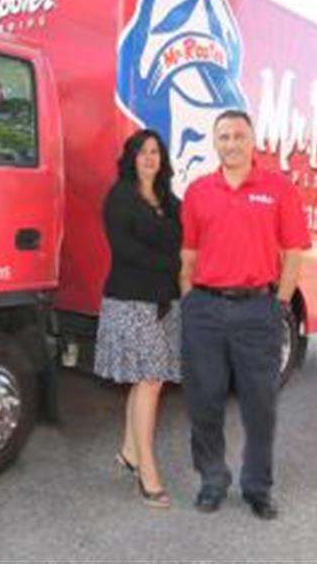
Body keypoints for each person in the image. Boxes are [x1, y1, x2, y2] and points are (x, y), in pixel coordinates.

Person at [179, 109, 311, 520]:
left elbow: (294, 251)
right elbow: (189, 255)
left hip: (258, 309)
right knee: (205, 400)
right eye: (224, 137)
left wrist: (280, 303)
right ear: (214, 143)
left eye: (239, 135)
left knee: (260, 405)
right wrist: (190, 300)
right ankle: (212, 480)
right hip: (205, 308)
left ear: (252, 140)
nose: (231, 143)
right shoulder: (199, 191)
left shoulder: (278, 189)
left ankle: (257, 487)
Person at [94, 128, 182, 509]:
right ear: (131, 157)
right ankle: (147, 469)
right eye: (143, 152)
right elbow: (126, 251)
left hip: (165, 302)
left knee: (151, 380)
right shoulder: (120, 197)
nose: (150, 158)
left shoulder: (169, 199)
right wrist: (177, 265)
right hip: (132, 301)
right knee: (148, 379)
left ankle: (130, 452)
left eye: (155, 152)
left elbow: (188, 237)